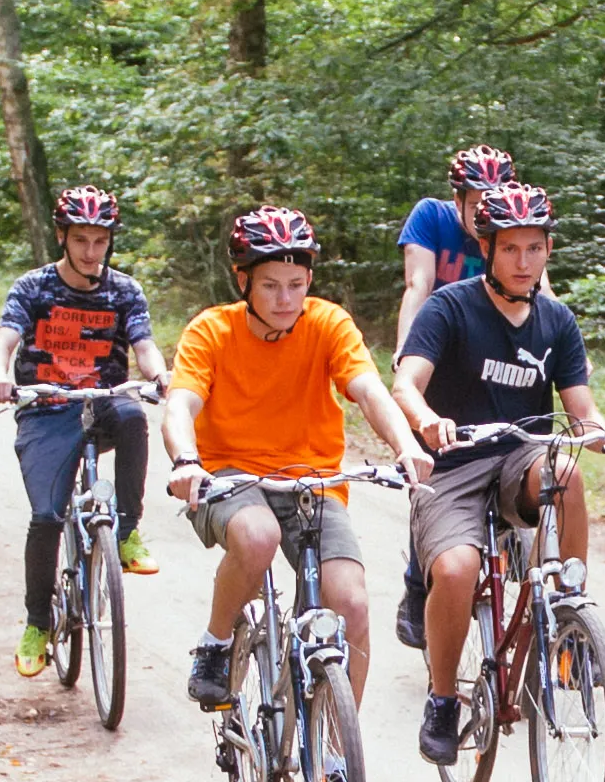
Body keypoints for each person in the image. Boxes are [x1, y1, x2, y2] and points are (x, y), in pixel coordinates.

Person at [398, 180, 605, 765]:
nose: (523, 261)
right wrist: (429, 422)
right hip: (455, 463)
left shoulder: (556, 321)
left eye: (535, 248)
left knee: (566, 470)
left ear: (548, 252)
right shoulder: (449, 307)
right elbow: (405, 383)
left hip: (519, 457)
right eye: (510, 248)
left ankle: (568, 614)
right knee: (456, 571)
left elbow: (580, 413)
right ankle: (442, 701)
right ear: (488, 249)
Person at [167, 202, 430, 730]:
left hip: (312, 485)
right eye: (270, 286)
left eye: (295, 283)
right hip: (227, 478)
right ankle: (217, 642)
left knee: (352, 606)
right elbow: (180, 406)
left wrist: (407, 447)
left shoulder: (328, 323)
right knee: (258, 536)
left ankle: (338, 753)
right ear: (243, 281)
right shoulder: (211, 331)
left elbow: (369, 391)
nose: (286, 299)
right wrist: (185, 461)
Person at [0, 185, 160, 678]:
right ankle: (38, 622)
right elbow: (5, 340)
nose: (90, 252)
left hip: (101, 402)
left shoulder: (123, 290)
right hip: (47, 408)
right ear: (62, 237)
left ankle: (126, 530)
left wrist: (160, 375)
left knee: (132, 417)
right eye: (81, 240)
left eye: (100, 241)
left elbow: (144, 345)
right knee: (46, 516)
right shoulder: (34, 287)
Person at [394, 143, 515, 343]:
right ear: (458, 201)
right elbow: (418, 284)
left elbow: (541, 290)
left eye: (494, 206)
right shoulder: (431, 215)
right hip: (437, 333)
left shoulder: (515, 235)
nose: (485, 215)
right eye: (476, 205)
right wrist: (405, 347)